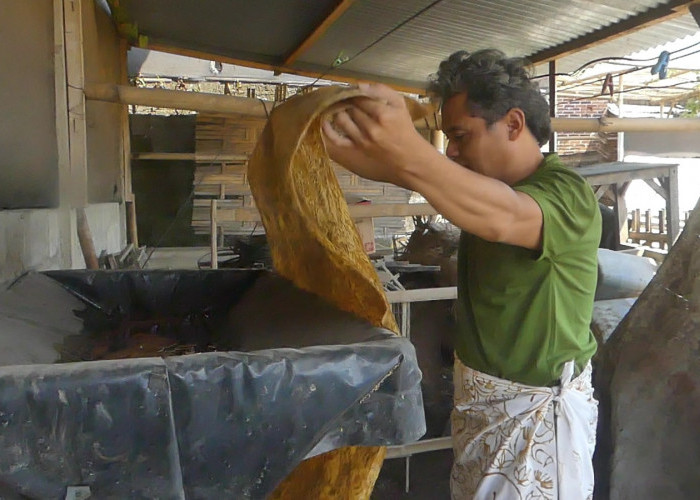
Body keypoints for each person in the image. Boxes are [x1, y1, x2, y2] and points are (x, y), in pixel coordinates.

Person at [322, 49, 601, 500]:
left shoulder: (566, 195)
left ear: (512, 125)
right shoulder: (483, 189)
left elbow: (503, 217)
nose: (450, 150)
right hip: (484, 406)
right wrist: (331, 139)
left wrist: (409, 148)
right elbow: (413, 173)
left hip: (535, 419)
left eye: (460, 135)